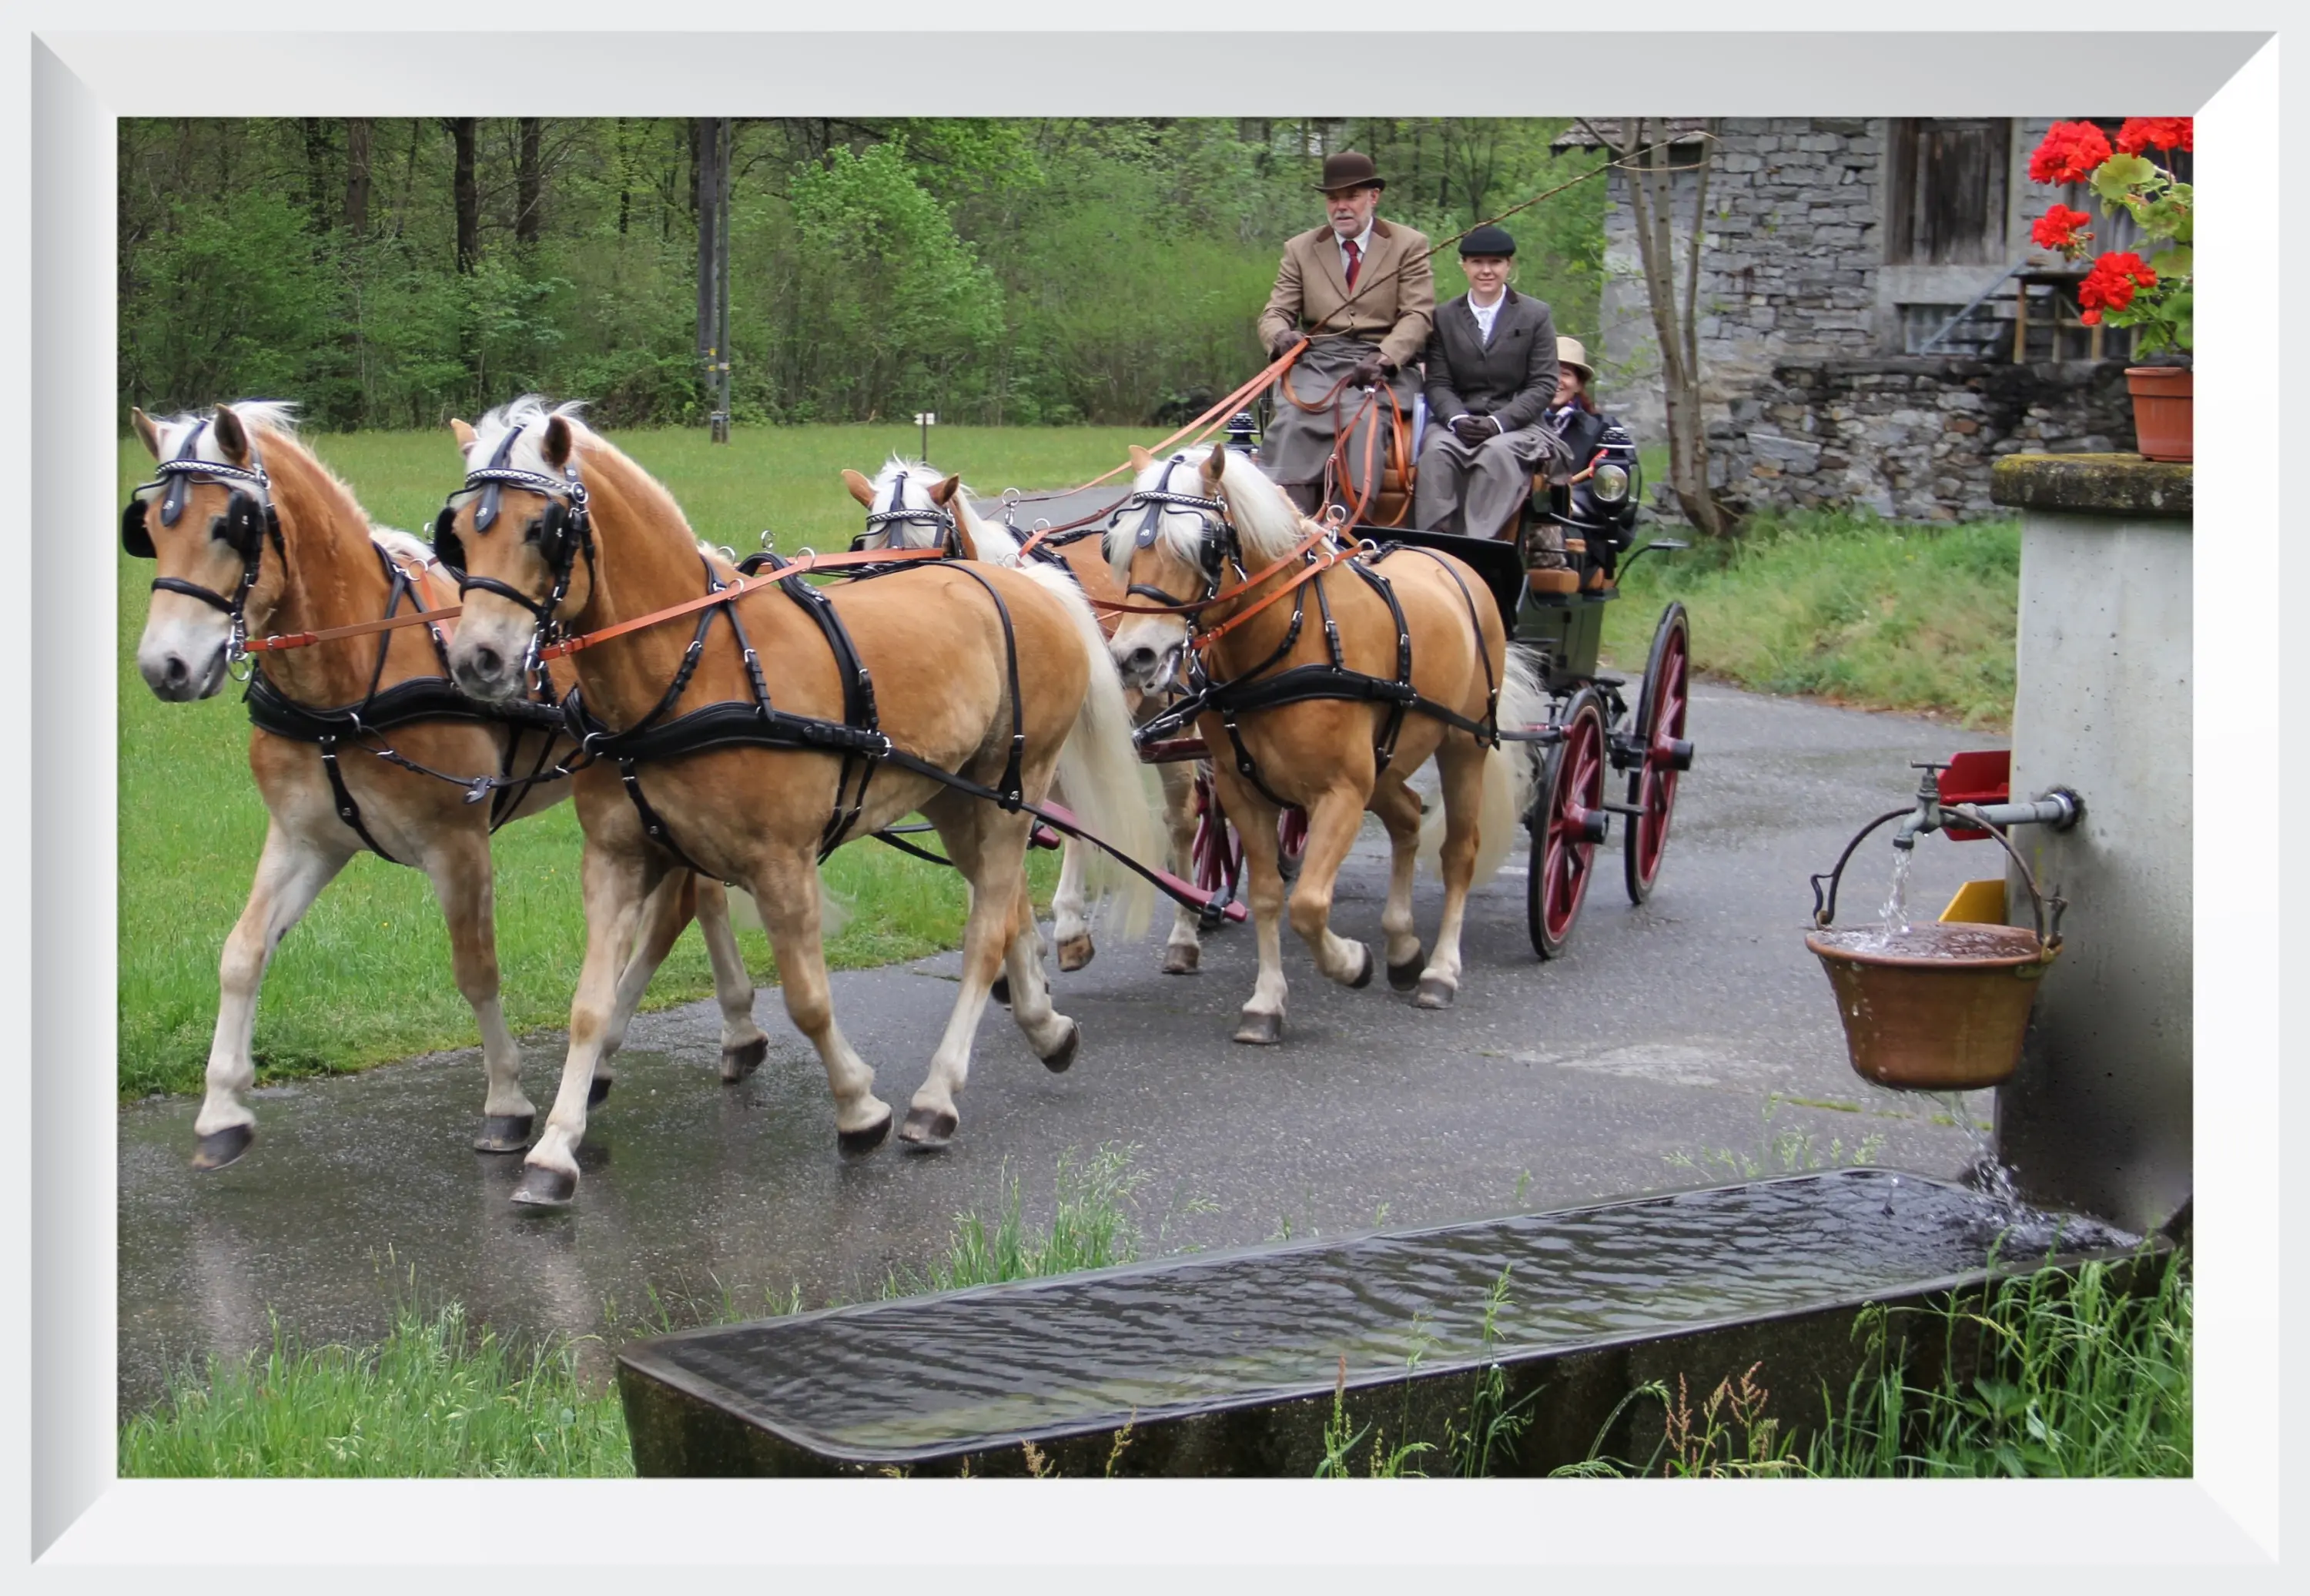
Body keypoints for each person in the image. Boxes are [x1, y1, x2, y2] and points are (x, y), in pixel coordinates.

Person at [1254, 151, 1435, 517]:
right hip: (1317, 364)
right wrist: (1280, 337)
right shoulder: (1300, 248)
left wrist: (1386, 357)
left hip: (1379, 366)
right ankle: (1290, 522)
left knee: (1361, 420)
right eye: (1333, 198)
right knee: (1291, 421)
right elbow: (1275, 312)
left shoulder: (1409, 244)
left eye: (1351, 197)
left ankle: (1347, 523)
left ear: (1373, 197)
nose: (1341, 207)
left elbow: (1418, 314)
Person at [1410, 225, 1567, 539]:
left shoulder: (1535, 314)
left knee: (1496, 454)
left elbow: (1544, 383)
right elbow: (1438, 382)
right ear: (1464, 266)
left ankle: (1478, 547)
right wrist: (1456, 419)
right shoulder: (1444, 317)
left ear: (1509, 266)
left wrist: (1498, 423)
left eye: (1495, 263)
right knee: (1437, 452)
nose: (1486, 271)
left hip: (1517, 425)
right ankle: (1433, 544)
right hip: (1458, 421)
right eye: (1477, 262)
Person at [1542, 336, 1643, 564]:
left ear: (1579, 383)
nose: (1557, 381)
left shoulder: (1605, 430)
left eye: (1565, 374)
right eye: (1548, 372)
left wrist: (1561, 500)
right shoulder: (1514, 424)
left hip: (1579, 530)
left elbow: (1615, 485)